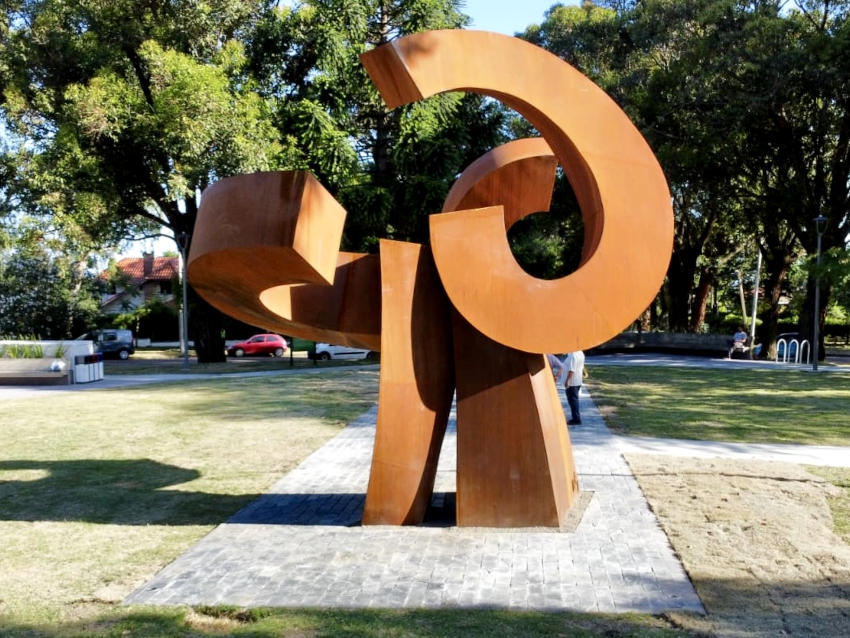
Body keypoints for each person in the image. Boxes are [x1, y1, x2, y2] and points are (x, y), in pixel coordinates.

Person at [563, 350, 585, 425]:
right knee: (574, 400)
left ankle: (576, 419)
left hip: (572, 383)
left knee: (573, 401)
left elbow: (571, 370)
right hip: (577, 380)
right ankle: (576, 417)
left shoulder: (573, 355)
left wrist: (567, 381)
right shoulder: (580, 352)